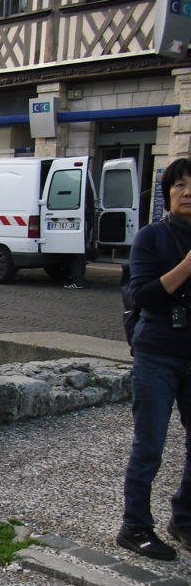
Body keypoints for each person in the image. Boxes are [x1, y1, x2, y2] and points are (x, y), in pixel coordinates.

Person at [119, 156, 191, 560]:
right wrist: (187, 265)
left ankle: (183, 518)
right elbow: (143, 295)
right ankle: (135, 526)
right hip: (158, 352)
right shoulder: (153, 237)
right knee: (150, 444)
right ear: (168, 195)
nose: (188, 192)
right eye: (179, 185)